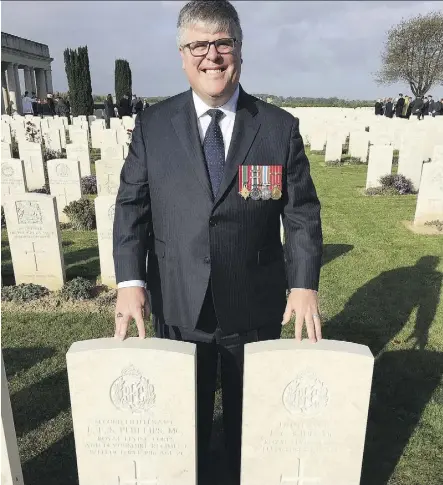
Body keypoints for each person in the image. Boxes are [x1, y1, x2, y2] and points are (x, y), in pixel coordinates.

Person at [112, 2, 323, 484]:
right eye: (198, 45)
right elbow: (132, 207)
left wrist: (304, 284)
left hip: (254, 303)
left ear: (240, 50)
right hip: (180, 300)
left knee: (250, 424)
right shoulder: (153, 126)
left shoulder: (277, 127)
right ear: (183, 56)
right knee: (186, 418)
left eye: (222, 42)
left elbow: (302, 213)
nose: (212, 55)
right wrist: (129, 280)